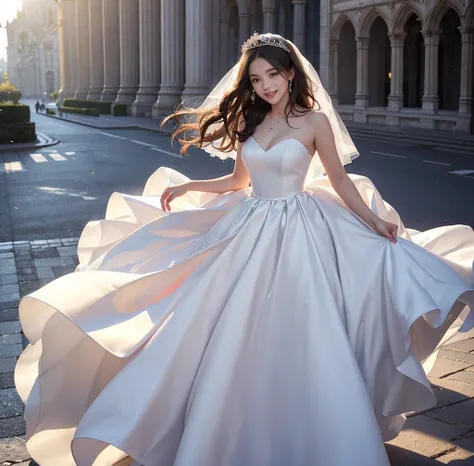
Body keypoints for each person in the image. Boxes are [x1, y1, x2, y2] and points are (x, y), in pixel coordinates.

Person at [15, 34, 473, 466]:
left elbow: (337, 179)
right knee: (219, 322)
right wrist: (194, 184)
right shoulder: (249, 120)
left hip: (300, 232)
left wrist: (373, 220)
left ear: (291, 73)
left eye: (272, 75)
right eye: (255, 79)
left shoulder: (314, 123)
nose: (265, 85)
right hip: (249, 225)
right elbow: (240, 181)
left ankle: (324, 424)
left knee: (309, 325)